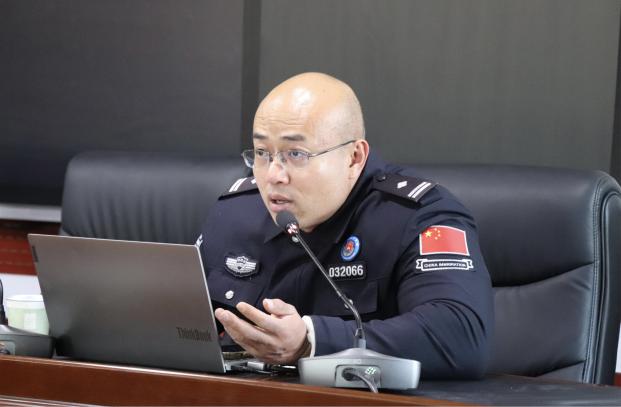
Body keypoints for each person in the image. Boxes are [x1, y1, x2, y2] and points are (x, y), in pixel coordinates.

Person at [197, 72, 493, 379]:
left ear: (353, 157)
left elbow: (462, 335)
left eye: (296, 154)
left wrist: (311, 341)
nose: (273, 175)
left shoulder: (419, 215)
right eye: (262, 153)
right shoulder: (234, 212)